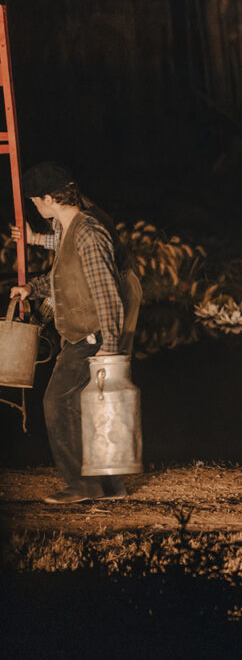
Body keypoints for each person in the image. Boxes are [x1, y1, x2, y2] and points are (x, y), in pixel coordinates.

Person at [9, 162, 141, 503]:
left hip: (92, 336)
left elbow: (106, 292)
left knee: (57, 402)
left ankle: (83, 485)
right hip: (82, 335)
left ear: (50, 199)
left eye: (36, 200)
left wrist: (109, 345)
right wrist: (32, 289)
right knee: (89, 408)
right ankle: (108, 485)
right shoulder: (68, 228)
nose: (34, 206)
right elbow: (64, 276)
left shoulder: (87, 233)